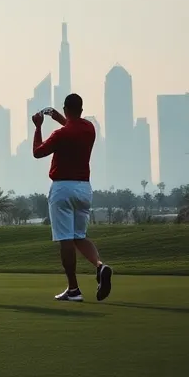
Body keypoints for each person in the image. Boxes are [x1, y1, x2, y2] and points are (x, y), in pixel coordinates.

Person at [32, 93, 113, 302]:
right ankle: (100, 266)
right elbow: (72, 126)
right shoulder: (89, 128)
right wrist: (59, 117)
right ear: (81, 109)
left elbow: (38, 152)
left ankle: (74, 289)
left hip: (62, 188)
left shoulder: (61, 134)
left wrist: (38, 126)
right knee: (79, 236)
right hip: (84, 188)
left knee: (66, 239)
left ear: (66, 109)